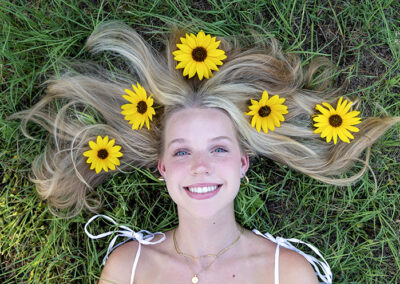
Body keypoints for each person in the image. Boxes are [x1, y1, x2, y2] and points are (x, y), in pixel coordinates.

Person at [16, 21, 399, 283]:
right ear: (162, 167)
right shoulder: (126, 268)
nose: (201, 167)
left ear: (242, 162)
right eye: (182, 153)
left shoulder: (289, 273)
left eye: (218, 148)